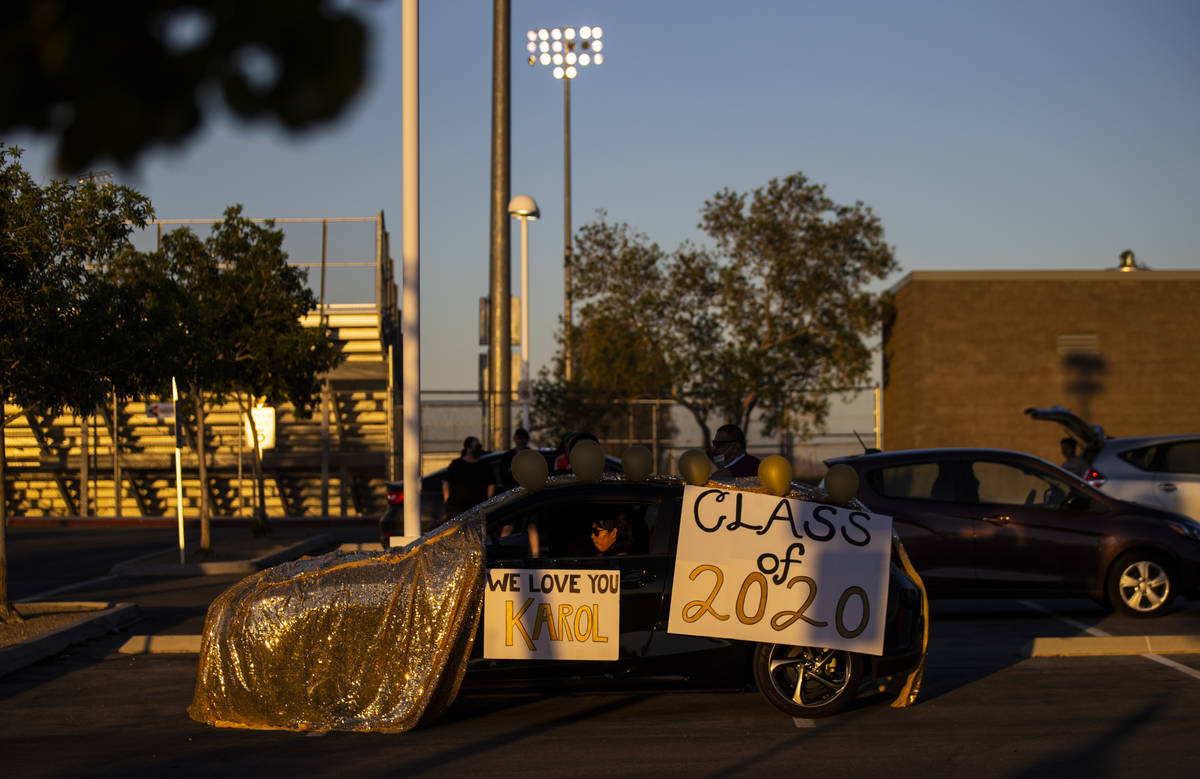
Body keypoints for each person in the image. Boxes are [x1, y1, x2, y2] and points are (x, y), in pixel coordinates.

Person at [442, 436, 496, 520]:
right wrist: (448, 501)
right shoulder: (456, 464)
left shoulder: (484, 465)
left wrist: (487, 501)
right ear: (468, 448)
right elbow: (446, 483)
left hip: (478, 507)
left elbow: (491, 484)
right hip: (457, 508)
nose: (479, 449)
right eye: (477, 447)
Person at [498, 427, 531, 492]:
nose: (523, 440)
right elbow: (504, 476)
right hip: (512, 493)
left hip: (529, 491)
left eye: (525, 438)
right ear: (515, 438)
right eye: (520, 438)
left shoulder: (532, 455)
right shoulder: (507, 456)